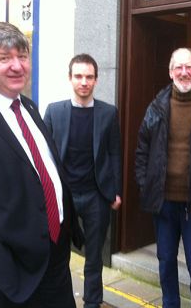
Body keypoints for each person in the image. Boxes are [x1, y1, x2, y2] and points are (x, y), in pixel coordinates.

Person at [0, 21, 83, 307]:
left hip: (55, 258)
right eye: (4, 58)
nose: (18, 66)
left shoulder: (27, 106)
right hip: (7, 276)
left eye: (22, 56)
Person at [135, 48, 191, 308]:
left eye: (189, 67)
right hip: (164, 203)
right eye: (179, 67)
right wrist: (146, 184)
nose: (184, 72)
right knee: (165, 261)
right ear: (170, 72)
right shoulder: (157, 107)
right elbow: (142, 149)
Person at [44, 53, 122, 308]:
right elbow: (43, 154)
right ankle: (60, 299)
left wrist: (115, 191)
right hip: (63, 195)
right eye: (78, 76)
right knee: (58, 253)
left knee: (94, 256)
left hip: (96, 195)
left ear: (96, 80)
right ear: (70, 78)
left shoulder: (108, 113)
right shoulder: (54, 111)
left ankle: (92, 302)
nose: (84, 82)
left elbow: (114, 153)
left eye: (89, 77)